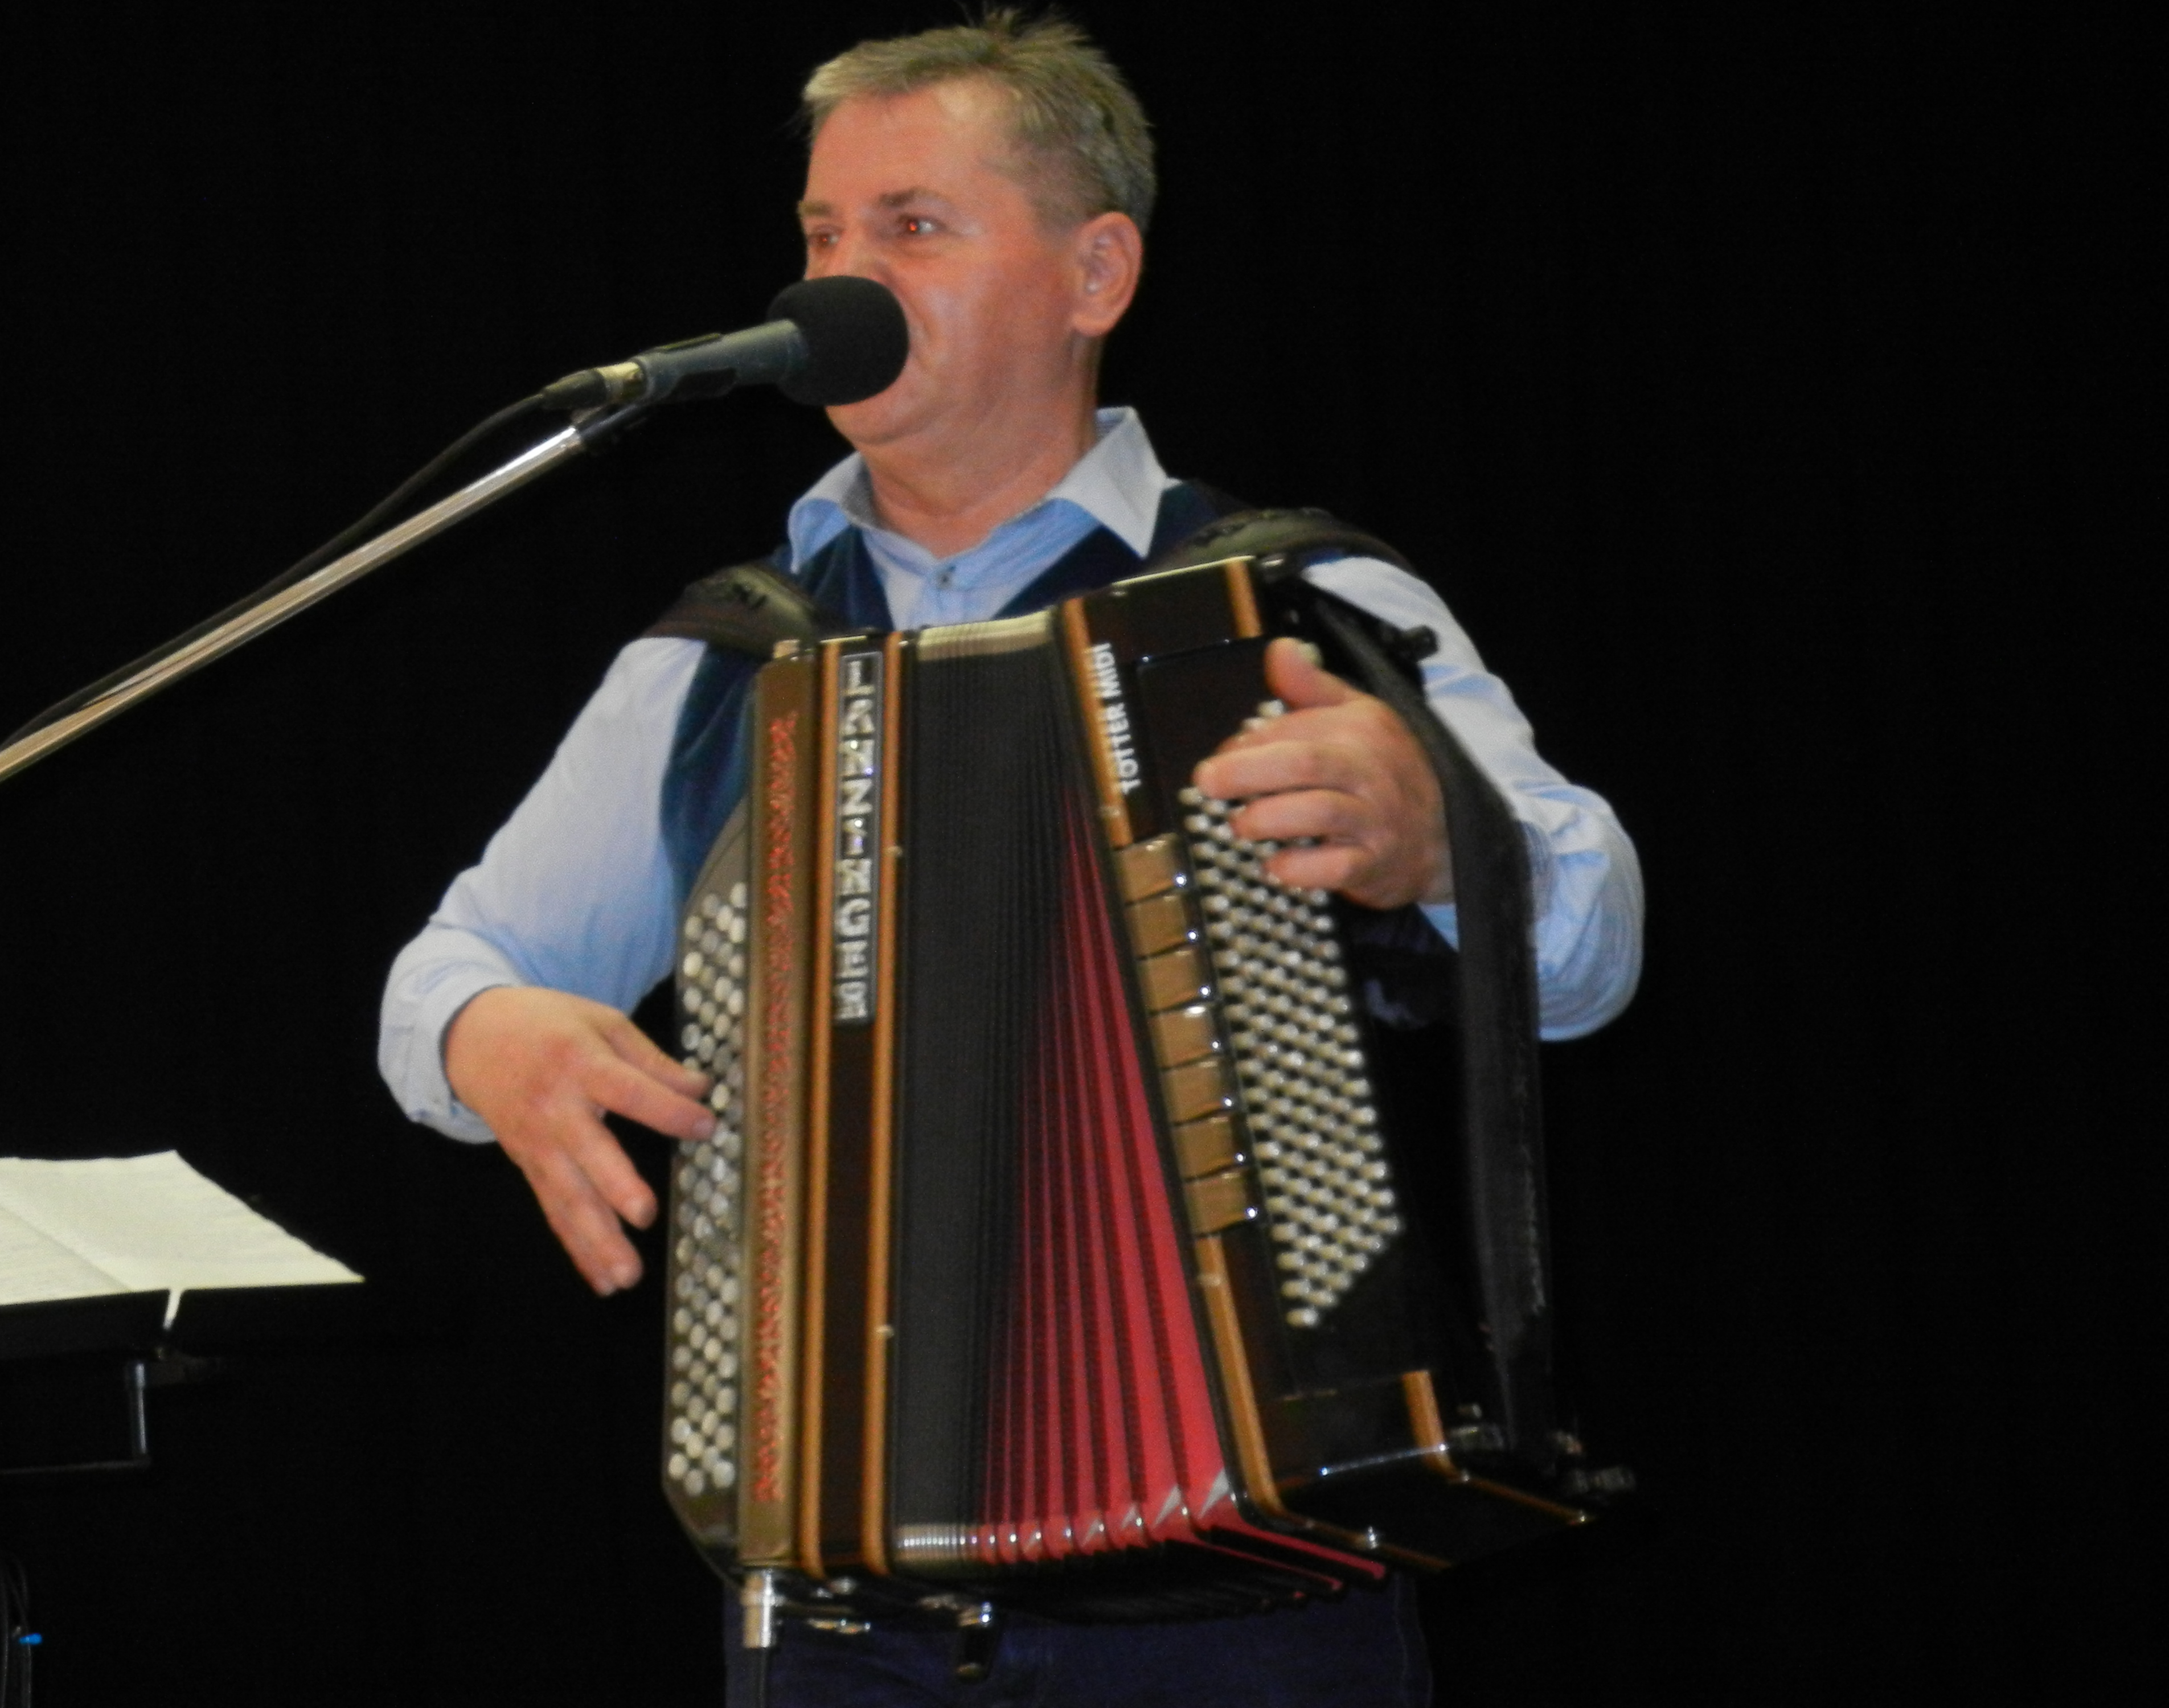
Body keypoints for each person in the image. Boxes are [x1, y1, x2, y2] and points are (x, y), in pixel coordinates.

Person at [380, 11, 1642, 1703]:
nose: (838, 279)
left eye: (913, 226)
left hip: (1251, 1603)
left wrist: (1436, 839)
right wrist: (494, 1037)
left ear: (1095, 273)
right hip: (836, 1620)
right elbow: (447, 975)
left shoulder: (1300, 599)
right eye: (823, 232)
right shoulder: (726, 663)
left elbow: (1594, 946)